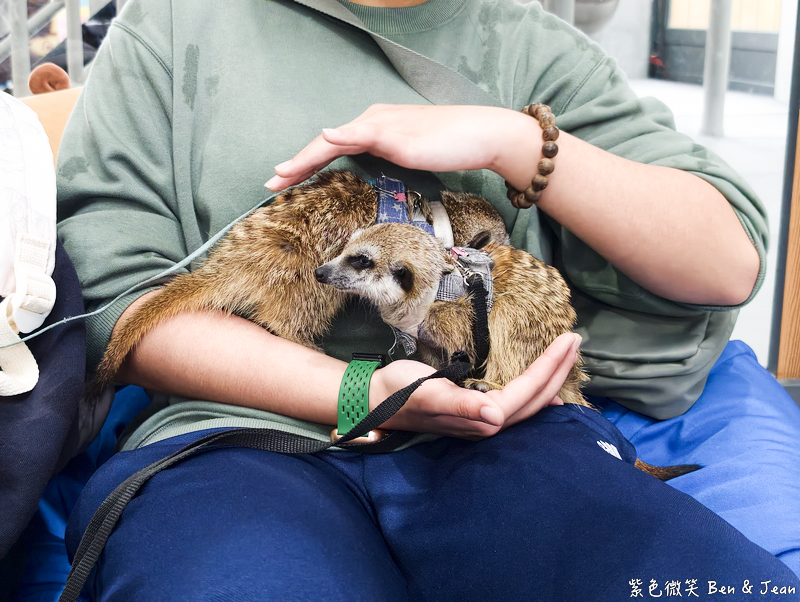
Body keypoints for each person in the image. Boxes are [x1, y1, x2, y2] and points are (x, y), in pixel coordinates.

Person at [56, 0, 800, 599]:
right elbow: (117, 301)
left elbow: (728, 263)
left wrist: (515, 145)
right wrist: (362, 390)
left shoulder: (529, 43)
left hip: (506, 433)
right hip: (240, 435)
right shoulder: (173, 24)